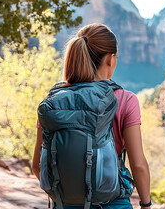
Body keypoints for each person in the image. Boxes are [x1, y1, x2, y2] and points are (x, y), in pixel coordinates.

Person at [32, 23, 151, 209]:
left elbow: (37, 165)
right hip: (113, 203)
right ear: (111, 59)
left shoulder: (54, 101)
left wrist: (66, 196)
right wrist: (146, 204)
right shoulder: (126, 100)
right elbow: (138, 164)